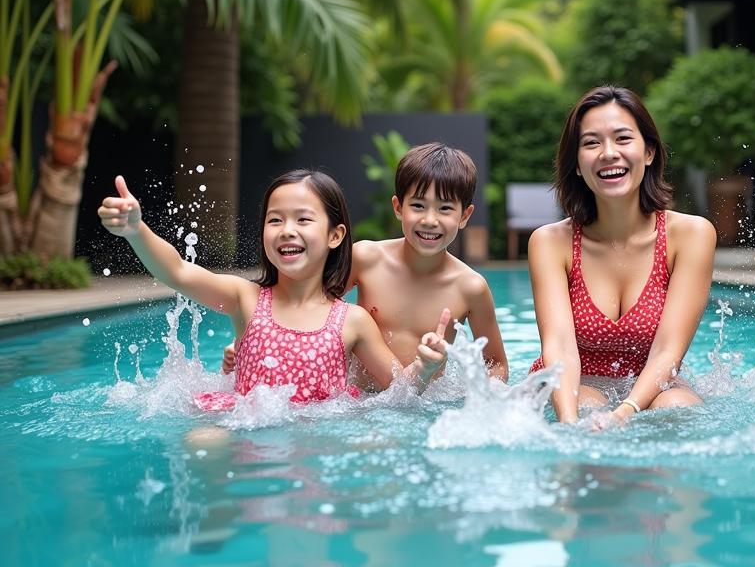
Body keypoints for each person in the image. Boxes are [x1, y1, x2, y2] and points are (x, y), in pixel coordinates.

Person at [98, 169, 448, 411]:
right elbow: (176, 271)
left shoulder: (351, 321)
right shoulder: (244, 299)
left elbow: (400, 392)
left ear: (335, 235)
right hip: (247, 432)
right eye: (275, 219)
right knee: (203, 438)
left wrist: (427, 367)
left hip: (320, 439)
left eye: (303, 219)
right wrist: (135, 230)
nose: (287, 230)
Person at [223, 143, 508, 388]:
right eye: (418, 206)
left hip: (421, 405)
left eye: (445, 209)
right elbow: (308, 306)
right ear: (398, 207)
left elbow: (496, 365)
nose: (430, 220)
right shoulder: (367, 259)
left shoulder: (470, 287)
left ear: (464, 215)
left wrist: (487, 402)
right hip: (356, 402)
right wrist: (253, 345)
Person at [528, 85, 716, 428]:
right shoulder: (550, 242)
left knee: (679, 409)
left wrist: (623, 413)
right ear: (577, 166)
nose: (608, 153)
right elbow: (559, 349)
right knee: (586, 408)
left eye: (622, 138)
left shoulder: (690, 236)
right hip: (575, 385)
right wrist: (570, 428)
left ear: (649, 152)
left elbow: (668, 352)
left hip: (649, 384)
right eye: (591, 143)